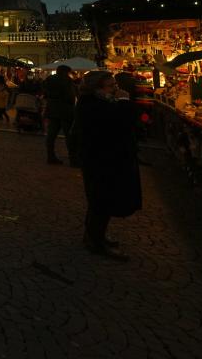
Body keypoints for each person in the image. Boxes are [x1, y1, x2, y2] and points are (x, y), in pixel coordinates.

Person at [71, 70, 142, 261]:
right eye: (111, 86)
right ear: (97, 88)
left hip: (102, 158)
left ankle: (95, 235)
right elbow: (124, 121)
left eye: (115, 85)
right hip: (100, 160)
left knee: (99, 200)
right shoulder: (93, 105)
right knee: (101, 200)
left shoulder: (98, 102)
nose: (116, 89)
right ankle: (95, 241)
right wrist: (125, 101)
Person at [42, 65, 76, 165]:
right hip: (65, 111)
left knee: (51, 135)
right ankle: (73, 159)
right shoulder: (66, 80)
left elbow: (45, 93)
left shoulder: (48, 80)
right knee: (69, 136)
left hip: (52, 110)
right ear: (65, 72)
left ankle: (50, 156)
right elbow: (70, 96)